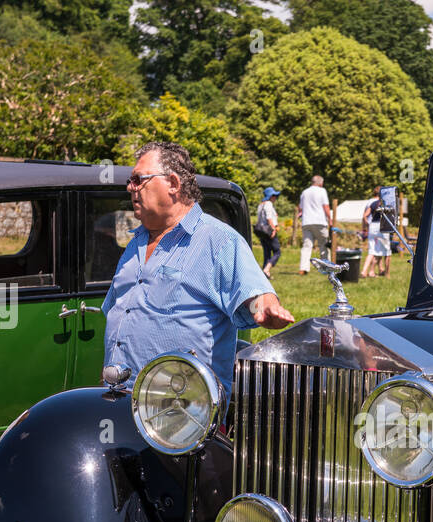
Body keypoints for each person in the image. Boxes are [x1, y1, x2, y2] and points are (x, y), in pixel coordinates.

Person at [102, 142, 294, 396]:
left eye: (138, 180)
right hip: (119, 398)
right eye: (130, 180)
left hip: (181, 414)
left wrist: (265, 306)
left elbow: (253, 293)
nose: (130, 187)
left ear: (172, 183)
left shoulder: (219, 240)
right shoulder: (135, 243)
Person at [297, 174, 332, 274]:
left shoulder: (304, 192)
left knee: (307, 246)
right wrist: (330, 219)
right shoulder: (322, 191)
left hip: (306, 222)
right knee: (323, 244)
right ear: (321, 183)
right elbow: (325, 206)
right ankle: (325, 267)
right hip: (319, 221)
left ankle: (303, 268)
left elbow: (300, 208)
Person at [255, 186, 282, 279]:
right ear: (270, 196)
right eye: (274, 195)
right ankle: (267, 269)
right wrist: (273, 229)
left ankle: (264, 275)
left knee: (267, 252)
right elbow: (269, 218)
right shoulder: (269, 204)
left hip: (261, 231)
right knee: (277, 251)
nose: (275, 197)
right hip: (269, 231)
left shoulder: (260, 205)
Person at [360, 190, 383, 279]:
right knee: (377, 251)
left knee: (373, 250)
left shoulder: (370, 202)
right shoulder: (381, 203)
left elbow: (364, 215)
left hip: (371, 227)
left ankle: (367, 271)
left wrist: (366, 226)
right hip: (379, 227)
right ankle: (370, 271)